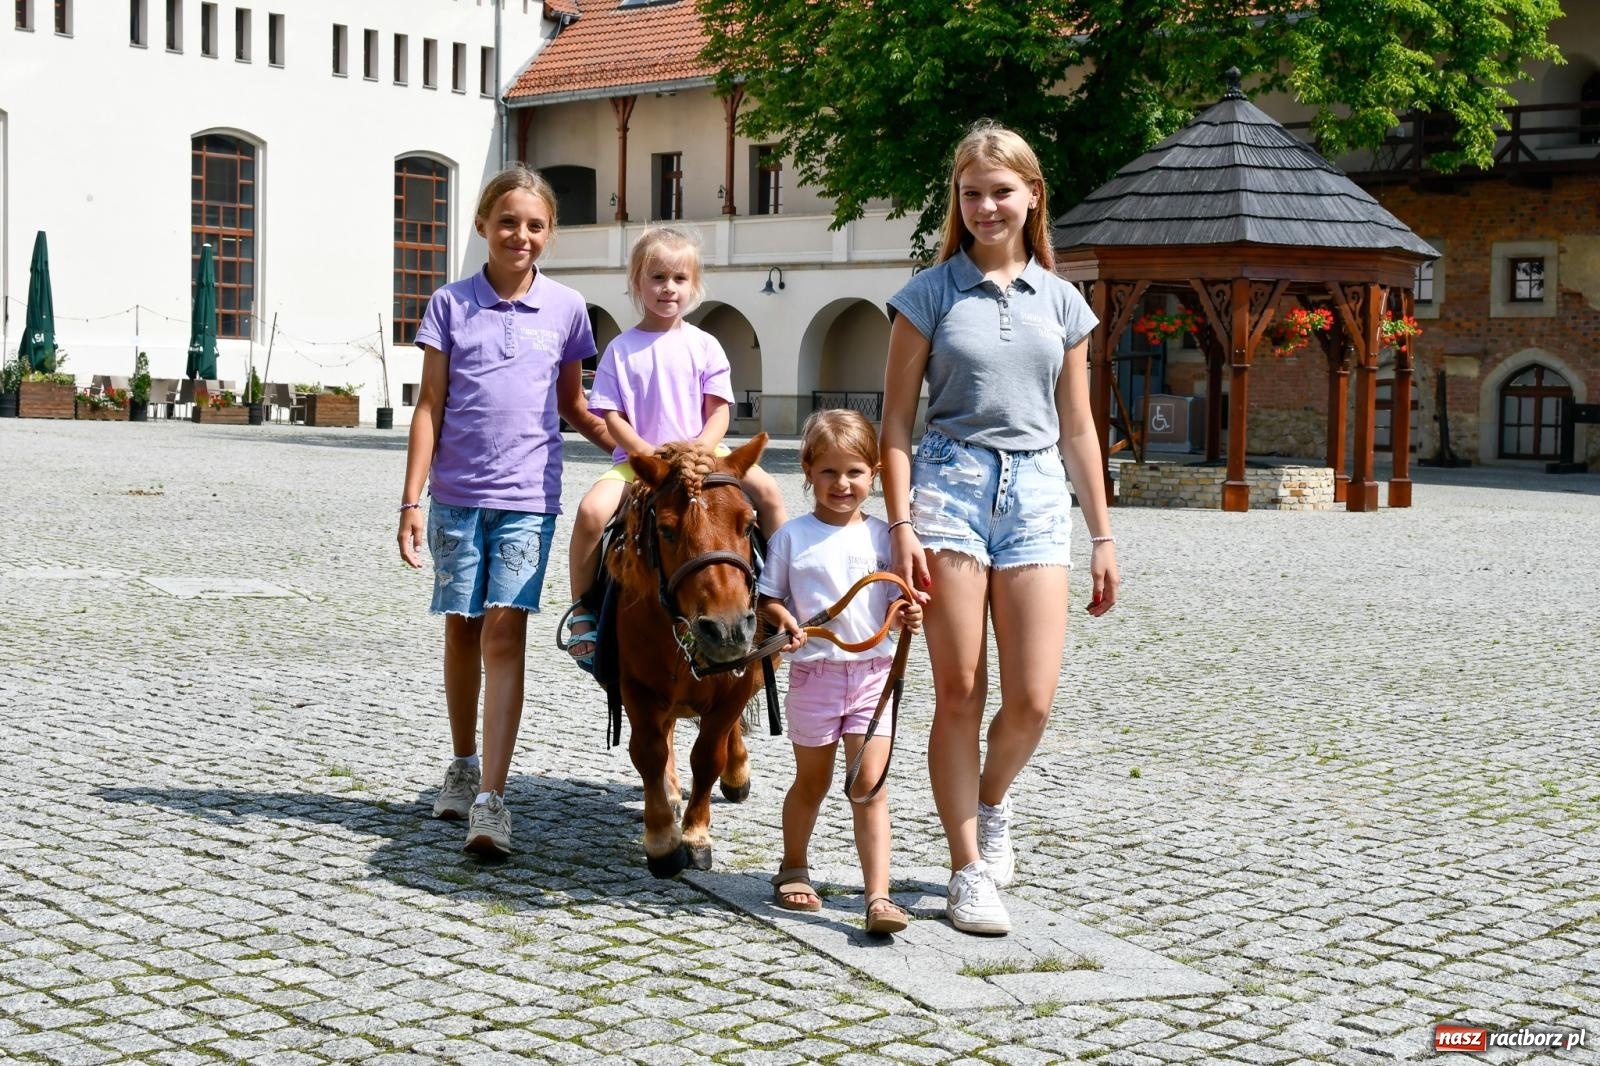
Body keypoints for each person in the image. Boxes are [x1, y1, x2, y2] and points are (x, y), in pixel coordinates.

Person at [880, 121, 1120, 936]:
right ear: (958, 199)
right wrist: (901, 521)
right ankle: (967, 868)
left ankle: (992, 803)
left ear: (1032, 196)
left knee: (1033, 698)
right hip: (948, 487)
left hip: (1038, 494)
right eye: (972, 193)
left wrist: (1104, 536)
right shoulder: (929, 294)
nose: (986, 206)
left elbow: (1080, 426)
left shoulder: (1063, 302)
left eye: (1001, 192)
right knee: (959, 691)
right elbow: (896, 425)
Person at [397, 164, 613, 858]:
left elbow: (574, 404)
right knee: (461, 630)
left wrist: (639, 452)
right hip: (457, 496)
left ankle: (492, 798)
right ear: (483, 226)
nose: (521, 235)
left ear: (549, 233)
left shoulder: (568, 309)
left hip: (527, 498)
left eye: (535, 224)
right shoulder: (450, 305)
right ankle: (461, 766)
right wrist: (411, 498)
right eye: (509, 221)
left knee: (503, 634)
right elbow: (429, 405)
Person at [561, 226, 786, 671]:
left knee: (771, 494)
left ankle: (782, 586)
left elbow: (719, 410)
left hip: (708, 457)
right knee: (590, 513)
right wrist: (649, 454)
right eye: (657, 277)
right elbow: (611, 417)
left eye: (679, 279)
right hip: (640, 465)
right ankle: (583, 608)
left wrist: (702, 449)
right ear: (637, 282)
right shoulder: (621, 350)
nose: (668, 288)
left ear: (694, 286)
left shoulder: (706, 345)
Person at [758, 409, 923, 936]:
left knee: (870, 785)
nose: (842, 484)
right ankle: (793, 866)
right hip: (814, 676)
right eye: (828, 472)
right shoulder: (791, 537)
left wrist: (911, 613)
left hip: (873, 674)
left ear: (874, 473)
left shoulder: (884, 538)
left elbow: (903, 598)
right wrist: (786, 622)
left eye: (854, 472)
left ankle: (879, 895)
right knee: (814, 781)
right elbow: (769, 600)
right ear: (807, 470)